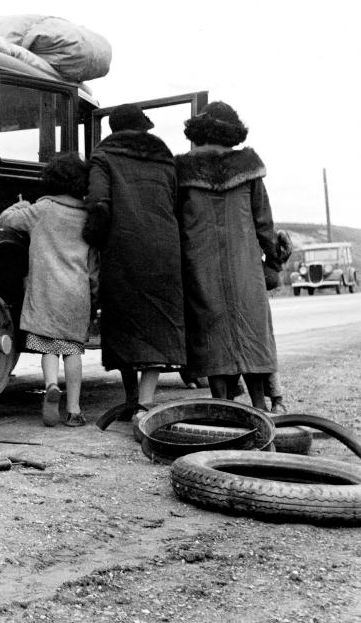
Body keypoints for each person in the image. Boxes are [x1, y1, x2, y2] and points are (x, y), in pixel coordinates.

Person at [175, 102, 279, 411]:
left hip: (199, 264)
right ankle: (259, 405)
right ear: (233, 132)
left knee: (210, 331)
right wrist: (273, 262)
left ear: (198, 131)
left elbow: (174, 221)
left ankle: (222, 405)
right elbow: (264, 222)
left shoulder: (182, 170)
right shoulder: (248, 168)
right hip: (245, 265)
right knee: (252, 330)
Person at [83, 104, 187, 417]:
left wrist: (92, 238)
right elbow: (176, 203)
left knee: (124, 324)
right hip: (165, 249)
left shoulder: (104, 156)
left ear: (114, 128)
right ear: (143, 126)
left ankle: (131, 399)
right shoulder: (165, 158)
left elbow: (99, 203)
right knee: (158, 324)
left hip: (122, 248)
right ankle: (146, 401)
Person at [0, 154, 99, 427]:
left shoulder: (42, 210)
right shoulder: (87, 216)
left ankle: (51, 385)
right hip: (77, 294)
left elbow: (6, 219)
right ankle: (74, 410)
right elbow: (93, 267)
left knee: (49, 347)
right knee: (73, 350)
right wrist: (94, 295)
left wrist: (21, 205)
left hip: (46, 292)